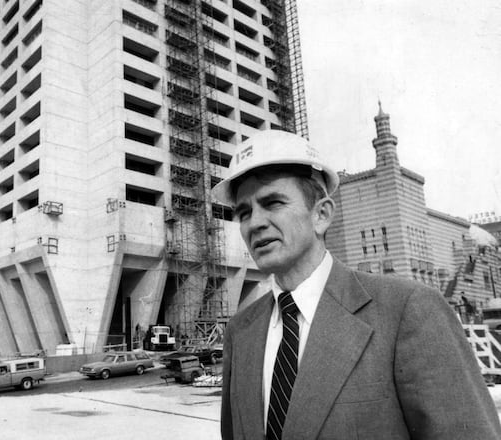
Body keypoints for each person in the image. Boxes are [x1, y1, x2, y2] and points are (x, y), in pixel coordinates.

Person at [212, 130, 501, 439]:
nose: (254, 223)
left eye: (273, 203)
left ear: (321, 215)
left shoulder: (407, 311)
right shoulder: (241, 331)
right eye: (243, 212)